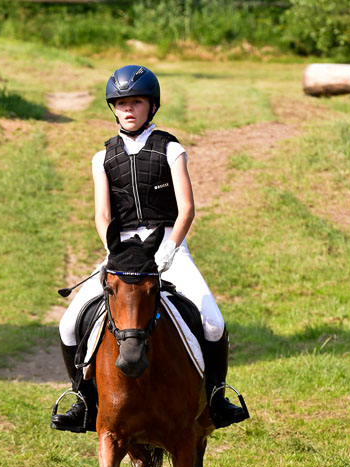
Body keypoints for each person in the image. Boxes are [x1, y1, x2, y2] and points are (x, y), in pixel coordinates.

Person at [52, 64, 249, 433]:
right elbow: (102, 215)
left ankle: (218, 397)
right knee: (67, 325)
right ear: (113, 107)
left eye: (136, 102)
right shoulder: (102, 158)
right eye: (121, 103)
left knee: (213, 321)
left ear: (151, 106)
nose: (128, 109)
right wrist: (114, 251)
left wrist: (170, 251)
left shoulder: (171, 149)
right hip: (123, 250)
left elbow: (187, 208)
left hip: (168, 243)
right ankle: (82, 400)